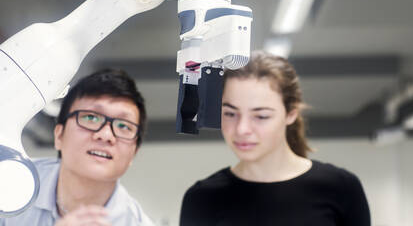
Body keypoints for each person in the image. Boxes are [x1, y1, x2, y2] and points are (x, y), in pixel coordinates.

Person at [180, 51, 371, 226]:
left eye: (261, 116)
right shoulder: (201, 198)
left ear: (291, 114)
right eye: (230, 114)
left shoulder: (341, 189)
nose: (242, 129)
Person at [0, 69, 155, 226]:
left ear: (134, 152)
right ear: (59, 135)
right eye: (91, 117)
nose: (106, 135)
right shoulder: (11, 183)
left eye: (123, 125)